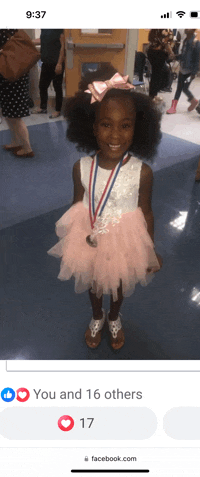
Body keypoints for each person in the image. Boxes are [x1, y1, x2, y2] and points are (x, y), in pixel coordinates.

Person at [47, 65, 162, 351]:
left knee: (119, 281)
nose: (115, 134)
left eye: (125, 125)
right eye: (106, 124)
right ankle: (97, 315)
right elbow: (77, 205)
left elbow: (146, 212)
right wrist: (76, 237)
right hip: (90, 234)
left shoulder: (142, 172)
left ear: (138, 127)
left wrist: (150, 250)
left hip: (126, 239)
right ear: (92, 126)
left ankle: (114, 316)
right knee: (94, 282)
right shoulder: (81, 168)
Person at [0, 29, 34, 158]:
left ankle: (27, 148)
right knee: (9, 114)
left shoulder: (3, 32)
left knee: (14, 116)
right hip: (15, 75)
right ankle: (15, 142)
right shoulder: (13, 30)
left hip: (10, 77)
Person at [166, 29, 200, 114]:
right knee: (179, 88)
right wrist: (176, 57)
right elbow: (184, 55)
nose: (185, 29)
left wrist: (194, 73)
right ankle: (173, 107)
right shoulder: (185, 41)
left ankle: (193, 101)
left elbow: (197, 60)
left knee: (185, 88)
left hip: (190, 71)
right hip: (182, 69)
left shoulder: (196, 43)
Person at [33, 29, 65, 118]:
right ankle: (43, 107)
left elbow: (63, 46)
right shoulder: (44, 28)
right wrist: (27, 42)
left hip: (56, 63)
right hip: (46, 62)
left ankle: (57, 110)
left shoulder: (59, 29)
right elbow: (42, 40)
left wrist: (59, 63)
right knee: (42, 86)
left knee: (57, 87)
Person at [147, 29, 174, 101]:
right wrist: (170, 52)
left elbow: (151, 39)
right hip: (158, 54)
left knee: (156, 75)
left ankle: (153, 95)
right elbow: (166, 42)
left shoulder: (155, 30)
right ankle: (153, 95)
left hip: (152, 52)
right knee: (157, 75)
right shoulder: (164, 30)